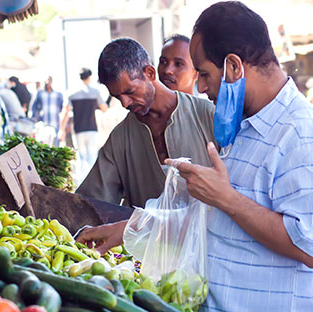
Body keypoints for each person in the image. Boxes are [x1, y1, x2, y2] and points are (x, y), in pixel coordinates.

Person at [77, 2, 313, 312]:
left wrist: (227, 198)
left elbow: (308, 244)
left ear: (233, 66)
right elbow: (214, 223)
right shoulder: (245, 130)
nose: (201, 87)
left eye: (204, 73)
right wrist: (135, 228)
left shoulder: (304, 134)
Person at [75, 38, 215, 208]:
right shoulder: (120, 139)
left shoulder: (207, 115)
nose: (125, 103)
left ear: (150, 73)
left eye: (130, 92)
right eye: (117, 97)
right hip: (149, 236)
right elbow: (92, 202)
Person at [59, 68, 107, 178]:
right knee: (92, 157)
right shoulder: (95, 93)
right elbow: (104, 108)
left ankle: (82, 182)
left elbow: (66, 111)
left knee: (81, 157)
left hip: (78, 129)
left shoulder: (72, 93)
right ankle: (94, 180)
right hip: (92, 129)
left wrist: (61, 130)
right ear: (89, 77)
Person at [32, 76, 64, 146]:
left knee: (55, 146)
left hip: (55, 124)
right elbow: (35, 109)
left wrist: (63, 126)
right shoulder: (40, 94)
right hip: (43, 125)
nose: (47, 83)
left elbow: (62, 110)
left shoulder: (58, 94)